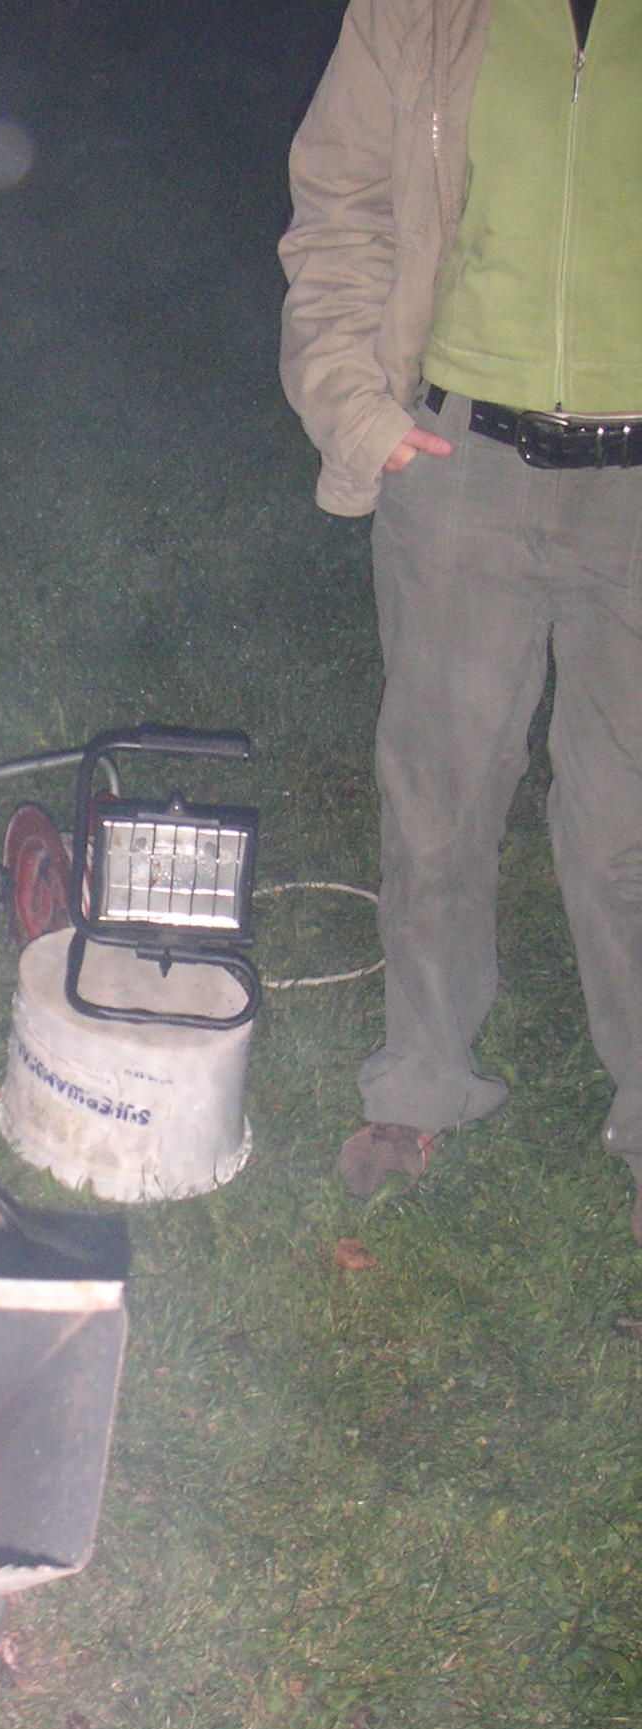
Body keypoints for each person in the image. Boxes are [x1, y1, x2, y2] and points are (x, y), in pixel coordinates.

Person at [278, 0, 642, 1232]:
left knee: (627, 829)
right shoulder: (422, 12)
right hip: (461, 460)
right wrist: (357, 409)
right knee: (438, 797)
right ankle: (422, 1078)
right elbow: (341, 206)